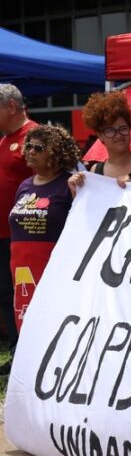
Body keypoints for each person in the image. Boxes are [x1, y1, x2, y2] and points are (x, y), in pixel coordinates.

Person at [9, 124, 78, 334]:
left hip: (52, 266)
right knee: (25, 317)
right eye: (28, 146)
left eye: (38, 148)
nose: (30, 151)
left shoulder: (70, 184)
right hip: (21, 267)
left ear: (56, 152)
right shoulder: (25, 186)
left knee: (50, 324)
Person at [0, 83, 36, 364]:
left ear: (11, 107)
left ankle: (29, 352)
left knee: (24, 293)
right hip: (3, 234)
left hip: (24, 235)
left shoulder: (33, 136)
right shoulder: (4, 140)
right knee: (5, 294)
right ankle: (16, 350)